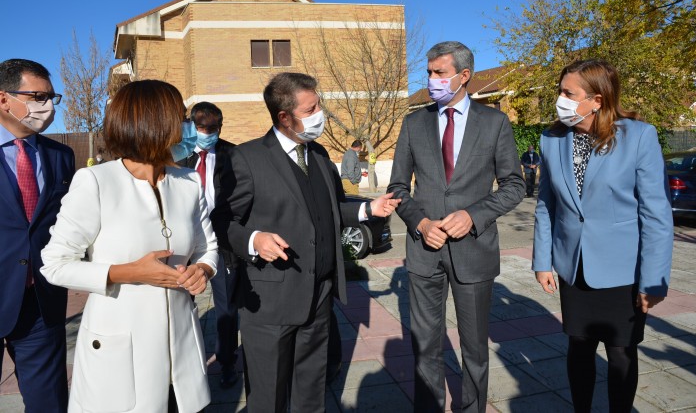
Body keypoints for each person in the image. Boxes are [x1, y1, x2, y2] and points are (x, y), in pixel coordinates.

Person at [41, 80, 218, 413]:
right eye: (181, 117)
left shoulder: (187, 182)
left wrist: (202, 270)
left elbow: (208, 247)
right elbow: (55, 263)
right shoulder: (96, 182)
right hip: (120, 354)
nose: (188, 127)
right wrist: (130, 272)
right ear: (154, 123)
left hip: (182, 352)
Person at [227, 72, 399, 413]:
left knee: (310, 391)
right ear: (284, 117)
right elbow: (222, 222)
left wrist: (368, 208)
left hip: (318, 296)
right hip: (270, 301)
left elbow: (332, 208)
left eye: (318, 104)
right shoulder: (246, 158)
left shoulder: (318, 154)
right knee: (269, 398)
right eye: (312, 108)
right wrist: (253, 238)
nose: (321, 113)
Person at [388, 41, 525, 413]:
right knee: (425, 346)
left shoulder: (494, 122)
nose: (432, 80)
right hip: (424, 252)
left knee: (475, 349)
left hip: (474, 251)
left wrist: (474, 214)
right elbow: (398, 187)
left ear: (464, 76)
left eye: (440, 73)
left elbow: (514, 185)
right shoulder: (413, 123)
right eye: (429, 73)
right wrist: (419, 222)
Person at [532, 59, 673, 412]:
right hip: (572, 266)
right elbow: (546, 204)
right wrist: (542, 260)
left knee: (621, 352)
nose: (560, 99)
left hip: (623, 270)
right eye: (559, 91)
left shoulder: (639, 136)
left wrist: (654, 278)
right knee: (578, 347)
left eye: (569, 93)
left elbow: (655, 213)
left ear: (597, 99)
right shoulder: (552, 139)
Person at [0, 59, 74, 413]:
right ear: (4, 99)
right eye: (38, 96)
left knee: (49, 403)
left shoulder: (62, 156)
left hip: (41, 301)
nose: (47, 106)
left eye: (51, 97)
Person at [178, 101, 240, 388]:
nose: (206, 133)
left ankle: (227, 363)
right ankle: (185, 365)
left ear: (220, 127)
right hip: (183, 245)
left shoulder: (234, 155)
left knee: (226, 310)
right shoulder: (177, 154)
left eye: (212, 128)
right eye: (200, 127)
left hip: (223, 244)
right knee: (180, 307)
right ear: (191, 126)